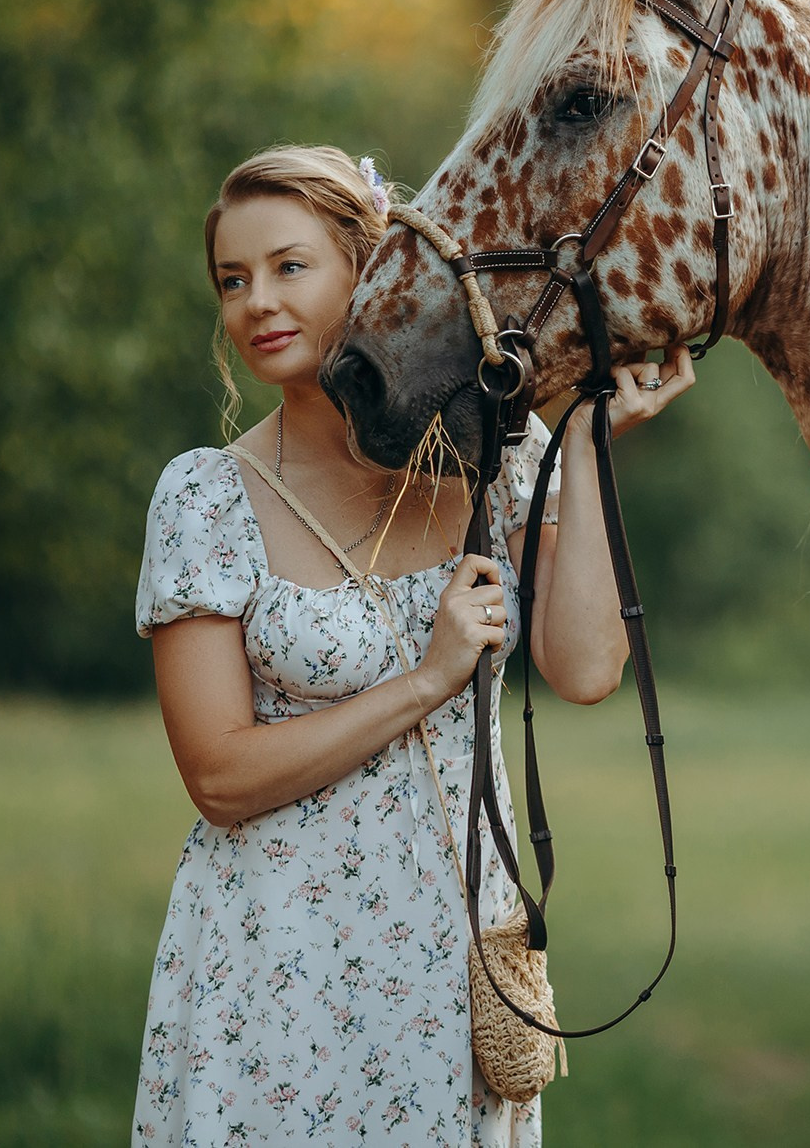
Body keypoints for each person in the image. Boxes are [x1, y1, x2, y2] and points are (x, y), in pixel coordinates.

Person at [130, 145, 693, 1146]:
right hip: (279, 963)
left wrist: (590, 443)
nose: (255, 299)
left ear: (370, 269)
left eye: (288, 266)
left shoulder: (493, 455)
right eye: (231, 279)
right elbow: (217, 776)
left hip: (458, 953)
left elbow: (585, 668)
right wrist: (432, 677)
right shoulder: (205, 496)